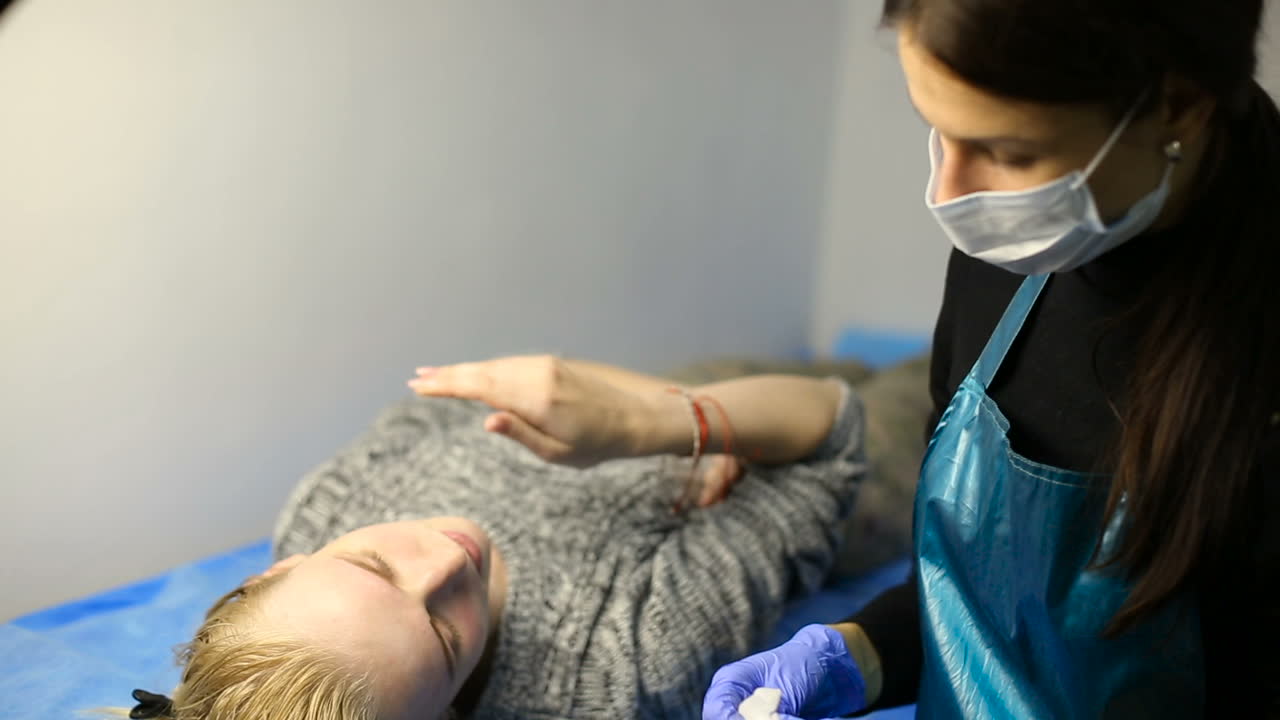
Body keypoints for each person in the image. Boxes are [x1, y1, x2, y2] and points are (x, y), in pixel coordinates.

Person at [704, 0, 1280, 718]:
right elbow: (965, 602)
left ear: (1179, 105)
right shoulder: (1006, 260)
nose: (949, 194)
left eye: (1010, 154)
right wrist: (858, 653)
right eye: (938, 133)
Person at [124, 356, 875, 720]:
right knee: (942, 391)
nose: (453, 555)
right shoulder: (620, 663)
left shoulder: (326, 505)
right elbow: (833, 432)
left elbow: (466, 398)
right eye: (444, 639)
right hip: (803, 462)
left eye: (375, 562)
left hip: (673, 396)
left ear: (278, 568)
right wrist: (659, 427)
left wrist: (658, 410)